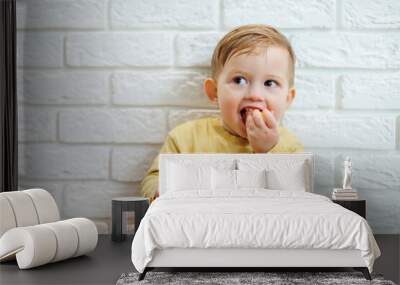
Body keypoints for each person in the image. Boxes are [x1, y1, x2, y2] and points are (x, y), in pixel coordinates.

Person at [141, 24, 304, 202]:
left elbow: (294, 199)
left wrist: (266, 152)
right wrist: (160, 191)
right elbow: (153, 179)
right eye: (239, 80)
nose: (255, 95)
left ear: (288, 99)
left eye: (270, 83)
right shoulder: (185, 138)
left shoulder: (290, 148)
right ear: (214, 91)